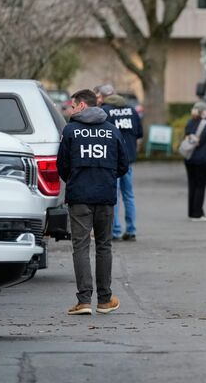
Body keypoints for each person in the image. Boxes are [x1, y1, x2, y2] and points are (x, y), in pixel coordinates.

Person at [57, 89, 128, 315]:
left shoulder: (70, 131)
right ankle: (105, 299)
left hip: (79, 197)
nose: (71, 109)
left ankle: (84, 300)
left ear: (82, 106)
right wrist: (104, 179)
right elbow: (123, 165)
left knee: (80, 246)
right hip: (105, 196)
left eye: (74, 105)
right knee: (104, 246)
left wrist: (76, 180)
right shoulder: (112, 131)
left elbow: (62, 165)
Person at [100, 91, 143, 241]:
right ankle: (131, 230)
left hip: (112, 160)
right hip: (128, 158)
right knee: (129, 196)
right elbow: (139, 133)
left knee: (114, 196)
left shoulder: (106, 111)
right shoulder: (131, 110)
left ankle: (115, 231)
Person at [184, 102, 206, 221]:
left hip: (189, 158)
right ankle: (197, 214)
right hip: (203, 159)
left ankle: (192, 212)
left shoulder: (189, 123)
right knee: (200, 186)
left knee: (192, 185)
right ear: (203, 112)